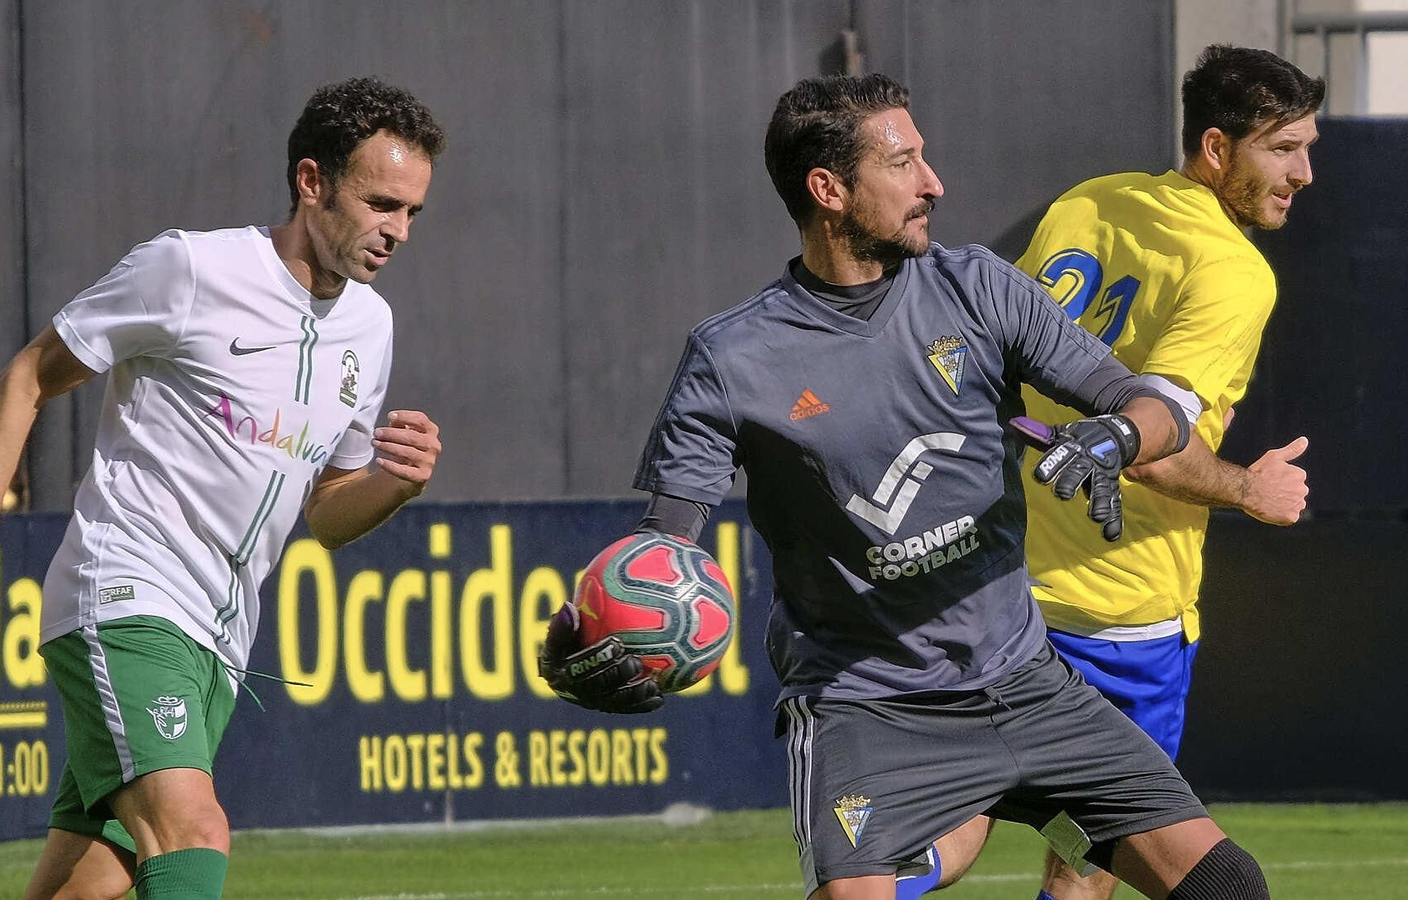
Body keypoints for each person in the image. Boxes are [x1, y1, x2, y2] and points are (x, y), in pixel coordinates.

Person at [540, 73, 1272, 900]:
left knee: (1229, 886)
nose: (934, 182)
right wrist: (597, 639)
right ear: (829, 190)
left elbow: (1150, 408)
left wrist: (1120, 434)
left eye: (924, 157)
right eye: (903, 163)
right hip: (867, 709)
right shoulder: (732, 357)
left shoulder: (980, 288)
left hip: (1028, 682)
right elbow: (663, 549)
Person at [0, 77, 445, 900]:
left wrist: (393, 484)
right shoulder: (191, 268)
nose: (398, 230)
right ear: (312, 182)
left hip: (221, 638)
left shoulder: (370, 328)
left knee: (91, 885)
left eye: (412, 212)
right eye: (381, 203)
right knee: (194, 833)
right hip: (126, 593)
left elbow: (329, 513)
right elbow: (26, 377)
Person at [916, 46, 1321, 900]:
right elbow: (1152, 445)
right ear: (1217, 148)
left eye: (1307, 149)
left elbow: (995, 371)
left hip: (997, 591)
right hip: (1119, 619)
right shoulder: (1231, 271)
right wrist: (1249, 488)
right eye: (1283, 150)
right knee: (1091, 864)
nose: (1303, 174)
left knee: (949, 830)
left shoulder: (1086, 203)